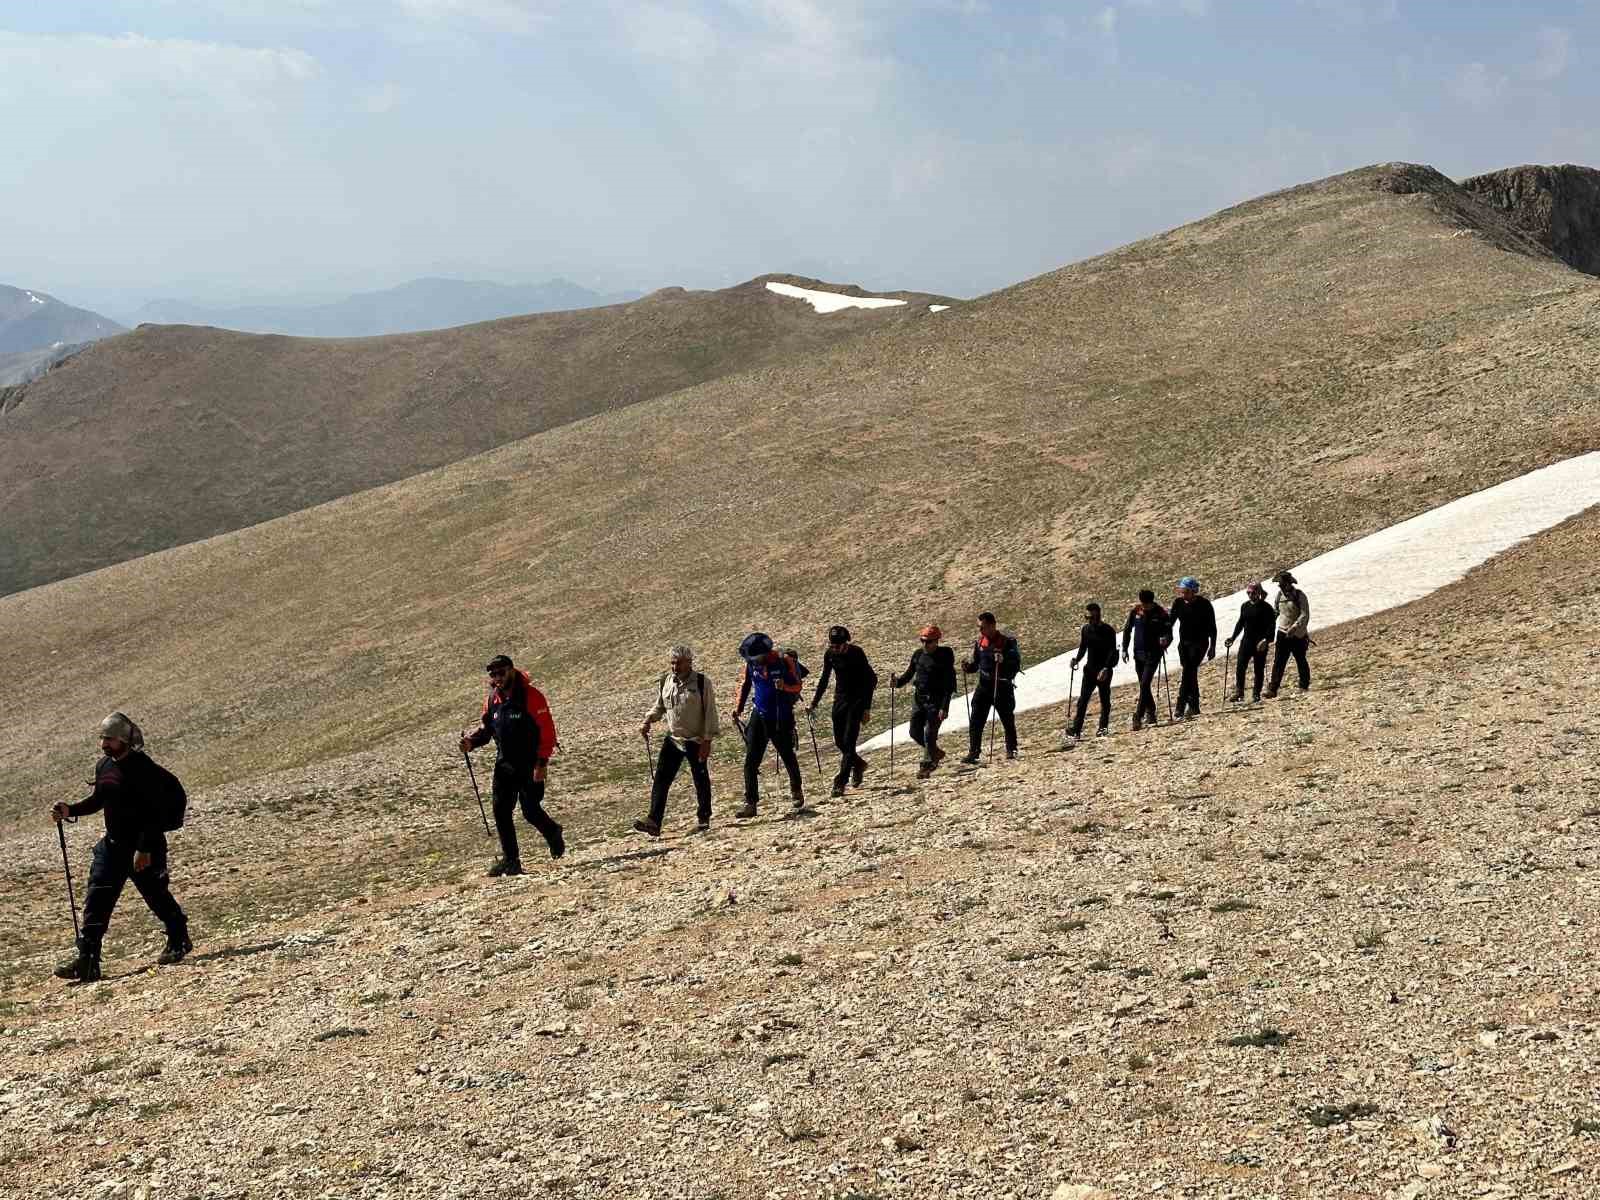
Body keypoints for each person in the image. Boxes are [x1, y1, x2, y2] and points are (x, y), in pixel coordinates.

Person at [51, 713, 190, 983]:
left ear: (125, 740)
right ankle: (88, 960)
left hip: (143, 847)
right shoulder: (105, 766)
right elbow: (99, 800)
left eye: (110, 739)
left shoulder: (143, 769)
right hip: (112, 847)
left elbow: (154, 812)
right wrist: (71, 809)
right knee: (97, 900)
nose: (105, 744)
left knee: (156, 895)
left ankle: (179, 939)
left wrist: (145, 849)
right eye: (103, 738)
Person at [460, 654, 564, 875]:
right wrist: (471, 742)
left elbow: (547, 731)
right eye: (493, 674)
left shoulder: (531, 696)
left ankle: (553, 832)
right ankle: (511, 860)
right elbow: (487, 730)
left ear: (511, 670)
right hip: (504, 763)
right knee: (501, 810)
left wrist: (542, 762)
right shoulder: (492, 700)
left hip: (530, 762)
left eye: (500, 672)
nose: (497, 678)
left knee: (530, 810)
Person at [636, 646, 718, 837]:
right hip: (674, 739)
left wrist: (707, 740)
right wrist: (647, 720)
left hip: (696, 740)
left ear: (689, 662)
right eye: (672, 663)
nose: (675, 667)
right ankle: (654, 821)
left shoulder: (702, 682)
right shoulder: (666, 681)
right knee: (661, 779)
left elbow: (710, 712)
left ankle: (703, 819)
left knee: (700, 779)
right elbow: (660, 706)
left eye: (679, 663)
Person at [732, 633, 805, 817]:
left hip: (781, 715)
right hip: (759, 714)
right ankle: (751, 803)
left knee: (787, 754)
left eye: (756, 657)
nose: (754, 661)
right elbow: (746, 685)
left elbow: (797, 686)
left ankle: (796, 791)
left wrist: (784, 687)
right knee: (750, 761)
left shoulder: (784, 661)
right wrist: (738, 708)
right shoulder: (750, 664)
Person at [809, 626, 878, 799]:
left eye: (838, 645)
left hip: (857, 702)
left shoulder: (857, 653)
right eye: (832, 645)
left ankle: (840, 782)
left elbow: (871, 679)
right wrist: (814, 703)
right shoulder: (830, 655)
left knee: (849, 743)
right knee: (840, 742)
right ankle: (859, 764)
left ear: (846, 643)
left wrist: (866, 708)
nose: (835, 648)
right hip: (839, 701)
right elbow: (824, 679)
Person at [892, 625, 958, 779]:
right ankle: (935, 752)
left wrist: (945, 706)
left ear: (936, 641)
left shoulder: (945, 656)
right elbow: (909, 675)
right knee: (914, 732)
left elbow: (949, 683)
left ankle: (927, 765)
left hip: (936, 701)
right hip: (919, 699)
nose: (924, 644)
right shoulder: (918, 655)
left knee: (929, 733)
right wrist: (897, 682)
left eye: (928, 641)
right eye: (922, 641)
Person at [961, 612, 1021, 763]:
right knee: (976, 719)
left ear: (993, 625)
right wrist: (968, 668)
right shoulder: (980, 642)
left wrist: (1003, 660)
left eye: (983, 627)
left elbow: (1015, 665)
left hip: (1002, 686)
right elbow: (976, 664)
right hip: (984, 685)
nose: (981, 631)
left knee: (1007, 719)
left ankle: (1011, 749)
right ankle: (974, 751)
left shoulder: (1007, 642)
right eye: (979, 628)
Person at [1121, 590, 1172, 730]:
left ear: (1151, 602)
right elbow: (1127, 630)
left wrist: (1165, 641)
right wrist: (1124, 649)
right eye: (1142, 604)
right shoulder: (1136, 611)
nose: (1144, 607)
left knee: (1144, 683)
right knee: (1144, 685)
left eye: (1146, 605)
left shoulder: (1161, 613)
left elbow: (1169, 633)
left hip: (1154, 653)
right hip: (1138, 654)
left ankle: (1138, 716)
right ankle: (1151, 712)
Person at [1066, 603, 1117, 741]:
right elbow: (1083, 648)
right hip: (1089, 670)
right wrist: (1076, 659)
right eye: (1087, 617)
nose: (1089, 620)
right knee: (1082, 701)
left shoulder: (1108, 630)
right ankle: (1076, 730)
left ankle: (1103, 727)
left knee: (1105, 700)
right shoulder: (1086, 629)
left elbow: (1112, 651)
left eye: (1091, 617)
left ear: (1098, 615)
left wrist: (1106, 668)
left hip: (1104, 671)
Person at [1168, 576, 1217, 720]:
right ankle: (1194, 706)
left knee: (1188, 672)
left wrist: (1212, 647)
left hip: (1200, 644)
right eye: (1182, 591)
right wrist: (1164, 636)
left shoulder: (1204, 604)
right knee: (1190, 672)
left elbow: (1212, 628)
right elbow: (1171, 622)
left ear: (1193, 591)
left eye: (1186, 592)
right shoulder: (1178, 603)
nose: (1183, 595)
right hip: (1184, 644)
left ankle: (1180, 707)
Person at [1224, 582, 1277, 702]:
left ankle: (1256, 693)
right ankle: (1239, 692)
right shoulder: (1245, 606)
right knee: (1240, 667)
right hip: (1246, 642)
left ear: (1258, 593)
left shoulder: (1267, 608)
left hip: (1260, 643)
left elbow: (1271, 626)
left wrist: (1266, 640)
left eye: (1253, 592)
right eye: (1248, 593)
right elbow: (1240, 623)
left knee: (1259, 668)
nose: (1250, 595)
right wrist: (1233, 638)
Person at [1264, 569, 1312, 698]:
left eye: (1281, 584)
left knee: (1300, 659)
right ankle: (1273, 689)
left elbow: (1305, 614)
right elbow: (1276, 612)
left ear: (1288, 583)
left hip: (1297, 635)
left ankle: (1304, 684)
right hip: (1282, 633)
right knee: (1279, 661)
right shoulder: (1279, 596)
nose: (1280, 586)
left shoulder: (1299, 596)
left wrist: (1295, 627)